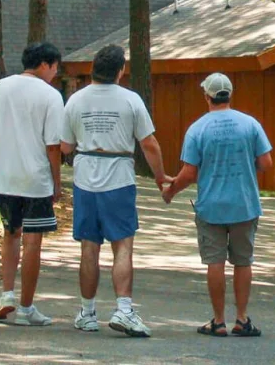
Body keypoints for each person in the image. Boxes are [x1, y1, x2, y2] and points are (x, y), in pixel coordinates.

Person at [59, 45, 167, 337]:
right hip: (118, 176)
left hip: (84, 177)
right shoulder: (131, 100)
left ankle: (87, 312)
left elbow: (65, 146)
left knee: (89, 247)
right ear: (121, 71)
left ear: (93, 65)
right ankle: (124, 309)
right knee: (122, 245)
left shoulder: (75, 100)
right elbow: (149, 144)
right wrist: (160, 177)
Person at [161, 73, 270, 338]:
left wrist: (170, 191)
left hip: (211, 206)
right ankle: (242, 319)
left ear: (207, 96)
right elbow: (266, 163)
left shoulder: (198, 128)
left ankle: (219, 321)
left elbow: (189, 172)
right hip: (244, 203)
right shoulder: (250, 124)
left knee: (215, 262)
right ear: (230, 95)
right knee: (243, 262)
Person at [0, 42, 65, 326]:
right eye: (55, 67)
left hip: (5, 178)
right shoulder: (51, 96)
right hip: (36, 179)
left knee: (10, 234)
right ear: (45, 64)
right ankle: (27, 308)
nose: (55, 73)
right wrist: (57, 181)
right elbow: (53, 145)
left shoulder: (0, 88)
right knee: (33, 242)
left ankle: (6, 295)